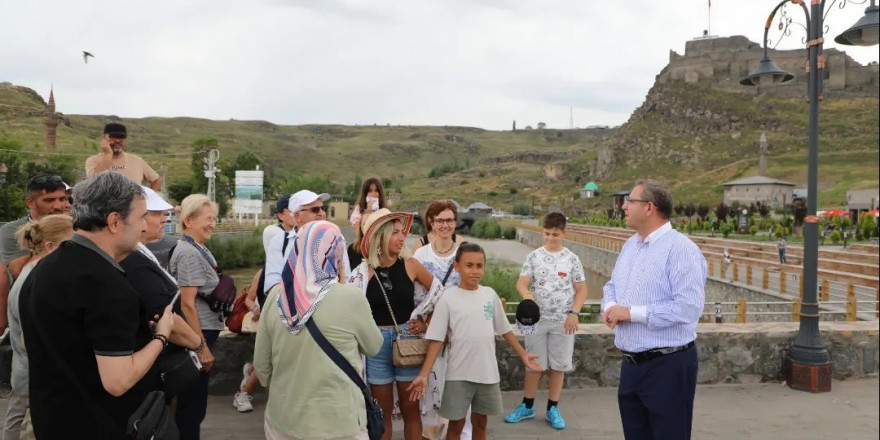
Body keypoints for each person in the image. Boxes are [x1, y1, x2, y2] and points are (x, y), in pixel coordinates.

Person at [18, 172, 176, 439]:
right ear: (114, 221)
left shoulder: (42, 268)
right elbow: (118, 381)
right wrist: (162, 334)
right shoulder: (106, 284)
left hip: (53, 421)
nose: (144, 228)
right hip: (98, 425)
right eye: (140, 218)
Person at [254, 220, 383, 440]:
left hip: (284, 422)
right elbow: (373, 346)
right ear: (335, 254)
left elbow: (262, 369)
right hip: (341, 423)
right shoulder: (350, 298)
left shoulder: (276, 297)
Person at [601, 179, 707, 440]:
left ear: (649, 207)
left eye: (630, 201)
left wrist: (630, 313)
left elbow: (688, 308)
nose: (624, 206)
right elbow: (612, 285)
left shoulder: (681, 249)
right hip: (632, 366)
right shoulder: (630, 245)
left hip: (667, 366)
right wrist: (611, 306)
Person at [408, 243, 541, 440]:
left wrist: (523, 354)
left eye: (479, 266)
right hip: (458, 375)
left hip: (487, 374)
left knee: (480, 424)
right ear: (457, 267)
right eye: (469, 265)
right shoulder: (448, 298)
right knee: (456, 425)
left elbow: (505, 329)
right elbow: (436, 339)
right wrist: (424, 374)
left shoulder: (490, 295)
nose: (474, 271)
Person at [348, 209, 437, 440]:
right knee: (382, 412)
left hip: (407, 340)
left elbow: (440, 296)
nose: (401, 237)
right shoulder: (362, 273)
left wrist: (425, 322)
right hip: (375, 344)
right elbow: (349, 309)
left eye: (402, 232)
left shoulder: (411, 265)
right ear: (380, 236)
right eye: (394, 233)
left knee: (411, 411)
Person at [504, 212, 587, 430]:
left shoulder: (572, 259)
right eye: (547, 233)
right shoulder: (534, 256)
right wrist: (528, 297)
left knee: (558, 365)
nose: (550, 238)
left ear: (564, 233)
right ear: (543, 232)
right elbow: (522, 283)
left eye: (555, 234)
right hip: (536, 321)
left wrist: (574, 313)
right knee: (534, 365)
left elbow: (581, 290)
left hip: (563, 322)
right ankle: (527, 405)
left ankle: (553, 408)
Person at [119, 187, 202, 394]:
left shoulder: (141, 252)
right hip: (154, 363)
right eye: (156, 214)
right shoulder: (133, 259)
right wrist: (199, 346)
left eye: (165, 214)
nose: (164, 219)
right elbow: (163, 312)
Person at [3, 214, 73, 440]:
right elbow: (31, 338)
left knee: (15, 421)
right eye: (72, 245)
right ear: (51, 247)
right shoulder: (38, 280)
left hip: (26, 376)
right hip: (37, 380)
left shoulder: (31, 271)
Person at [411, 200, 466, 439]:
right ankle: (430, 434)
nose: (445, 225)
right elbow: (414, 295)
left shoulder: (464, 252)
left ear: (455, 223)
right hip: (428, 332)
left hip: (458, 334)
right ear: (431, 223)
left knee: (457, 388)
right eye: (440, 220)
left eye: (450, 220)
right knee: (431, 389)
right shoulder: (420, 254)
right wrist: (424, 322)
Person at [169, 194, 222, 440]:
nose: (213, 223)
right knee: (192, 407)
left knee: (194, 406)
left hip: (201, 332)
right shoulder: (189, 253)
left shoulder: (197, 248)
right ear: (188, 220)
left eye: (215, 218)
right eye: (208, 219)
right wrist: (200, 347)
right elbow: (187, 304)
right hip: (197, 335)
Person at [0, 174, 68, 333]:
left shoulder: (74, 226)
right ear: (30, 202)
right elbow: (19, 270)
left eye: (62, 199)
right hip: (28, 309)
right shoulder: (11, 231)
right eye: (49, 200)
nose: (58, 206)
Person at [264, 190, 331, 295]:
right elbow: (272, 285)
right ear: (297, 216)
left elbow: (345, 280)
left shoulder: (335, 240)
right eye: (315, 210)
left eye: (323, 208)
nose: (321, 213)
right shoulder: (279, 242)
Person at [84, 122, 161, 190]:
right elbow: (94, 182)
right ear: (104, 138)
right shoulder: (93, 160)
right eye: (113, 136)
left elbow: (156, 180)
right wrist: (108, 155)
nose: (117, 140)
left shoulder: (137, 160)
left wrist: (149, 202)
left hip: (133, 206)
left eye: (121, 137)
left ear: (126, 139)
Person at [348, 178, 387, 269]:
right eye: (370, 191)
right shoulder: (359, 209)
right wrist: (367, 211)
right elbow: (357, 229)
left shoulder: (384, 210)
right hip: (363, 246)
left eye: (376, 191)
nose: (373, 194)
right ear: (365, 193)